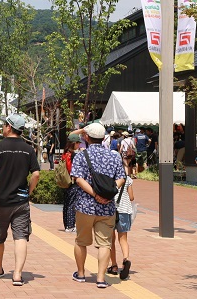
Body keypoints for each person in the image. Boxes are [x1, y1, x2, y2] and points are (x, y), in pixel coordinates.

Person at [0, 114, 40, 286]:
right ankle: (17, 274)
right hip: (21, 201)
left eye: (4, 124)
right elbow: (36, 174)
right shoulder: (28, 149)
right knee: (21, 236)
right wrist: (28, 190)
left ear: (9, 127)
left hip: (0, 201)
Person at [70, 122, 125, 288]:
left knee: (81, 241)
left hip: (85, 206)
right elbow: (122, 178)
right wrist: (107, 194)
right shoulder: (114, 156)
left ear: (87, 137)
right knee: (105, 244)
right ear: (103, 138)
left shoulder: (81, 155)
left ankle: (80, 274)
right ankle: (101, 278)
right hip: (107, 207)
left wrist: (95, 195)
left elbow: (78, 179)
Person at [107, 175, 135, 280]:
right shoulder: (128, 179)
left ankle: (114, 266)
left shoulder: (109, 176)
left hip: (111, 211)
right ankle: (125, 260)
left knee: (111, 240)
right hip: (124, 212)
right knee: (123, 239)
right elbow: (131, 197)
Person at [61, 133, 81, 232]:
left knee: (67, 203)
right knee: (72, 204)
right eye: (78, 143)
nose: (79, 145)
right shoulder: (73, 154)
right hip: (72, 181)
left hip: (65, 180)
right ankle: (70, 226)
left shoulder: (65, 153)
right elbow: (72, 169)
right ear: (74, 143)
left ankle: (67, 225)